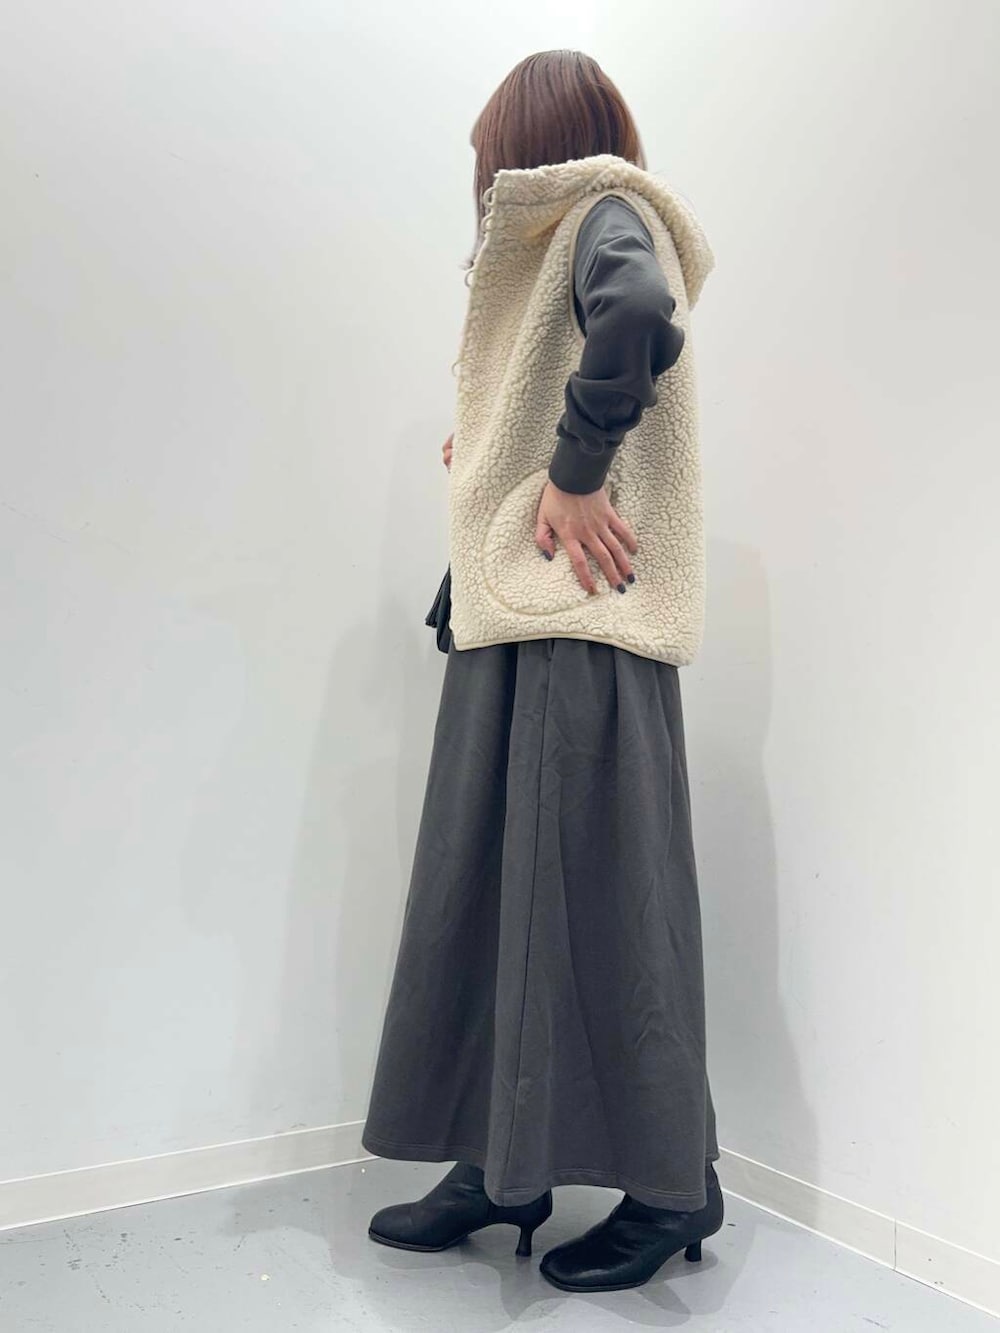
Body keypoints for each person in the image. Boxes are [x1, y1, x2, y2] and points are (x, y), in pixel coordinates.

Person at [360, 49, 723, 1294]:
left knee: (606, 899)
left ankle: (672, 1187)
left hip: (580, 622)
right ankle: (499, 1163)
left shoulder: (601, 211)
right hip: (520, 616)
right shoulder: (555, 245)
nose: (482, 176)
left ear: (527, 140)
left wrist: (572, 472)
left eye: (489, 152)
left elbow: (638, 317)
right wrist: (501, 451)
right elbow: (584, 351)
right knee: (491, 895)